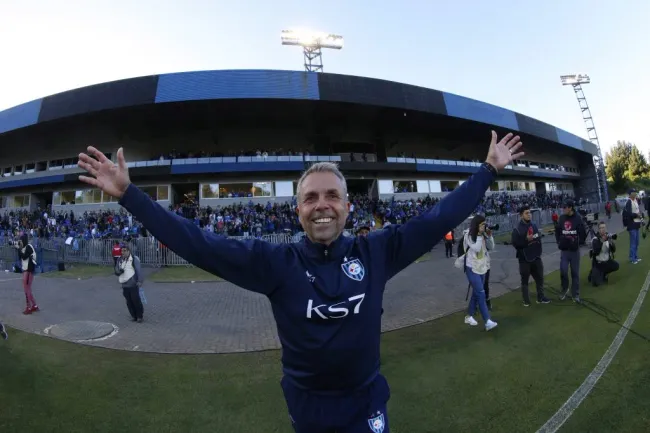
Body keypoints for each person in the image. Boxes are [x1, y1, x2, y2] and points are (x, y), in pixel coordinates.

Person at [78, 131, 523, 433]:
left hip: (366, 402)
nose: (322, 205)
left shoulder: (377, 251)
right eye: (310, 197)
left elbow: (439, 217)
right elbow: (197, 243)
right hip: (307, 407)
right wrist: (132, 197)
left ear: (349, 207)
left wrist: (488, 169)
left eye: (332, 195)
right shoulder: (276, 263)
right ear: (298, 211)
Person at [462, 216, 497, 331]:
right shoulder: (468, 234)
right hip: (471, 268)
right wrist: (479, 235)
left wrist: (489, 236)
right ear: (476, 225)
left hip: (482, 267)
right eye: (482, 224)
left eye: (484, 224)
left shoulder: (482, 235)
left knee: (477, 293)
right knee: (481, 293)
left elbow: (491, 247)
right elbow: (476, 248)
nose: (484, 226)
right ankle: (487, 321)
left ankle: (469, 316)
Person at [511, 206, 550, 307]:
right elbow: (515, 244)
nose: (529, 215)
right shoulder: (517, 229)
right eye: (526, 213)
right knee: (525, 281)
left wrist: (539, 252)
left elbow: (537, 239)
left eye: (529, 213)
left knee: (540, 278)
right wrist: (525, 240)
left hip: (536, 257)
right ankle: (526, 300)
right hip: (524, 260)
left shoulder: (534, 225)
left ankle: (540, 297)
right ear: (521, 215)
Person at [555, 199, 586, 303]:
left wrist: (578, 243)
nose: (563, 209)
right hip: (564, 250)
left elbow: (583, 233)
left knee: (575, 273)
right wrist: (559, 241)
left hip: (574, 251)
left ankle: (575, 294)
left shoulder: (578, 218)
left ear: (570, 207)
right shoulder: (562, 218)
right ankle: (564, 289)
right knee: (563, 270)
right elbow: (558, 230)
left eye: (565, 207)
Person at [115, 245, 145, 322]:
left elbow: (139, 270)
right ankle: (133, 316)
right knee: (129, 301)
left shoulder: (134, 259)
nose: (123, 252)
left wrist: (140, 281)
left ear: (129, 251)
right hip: (124, 284)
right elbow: (116, 270)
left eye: (125, 251)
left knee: (136, 300)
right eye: (122, 251)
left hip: (133, 284)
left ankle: (139, 316)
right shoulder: (119, 260)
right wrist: (119, 271)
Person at [14, 233, 39, 315]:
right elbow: (20, 257)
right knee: (28, 289)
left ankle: (28, 307)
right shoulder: (24, 247)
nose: (20, 242)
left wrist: (18, 249)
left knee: (26, 289)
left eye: (21, 240)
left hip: (29, 270)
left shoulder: (28, 247)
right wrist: (18, 249)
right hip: (26, 270)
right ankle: (34, 305)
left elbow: (24, 257)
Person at [623, 189, 643, 264]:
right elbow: (629, 214)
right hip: (631, 225)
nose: (635, 193)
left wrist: (640, 215)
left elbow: (637, 210)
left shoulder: (636, 200)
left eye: (635, 192)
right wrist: (636, 215)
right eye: (633, 192)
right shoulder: (629, 202)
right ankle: (632, 258)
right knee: (633, 243)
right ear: (630, 194)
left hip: (637, 224)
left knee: (637, 242)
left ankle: (635, 256)